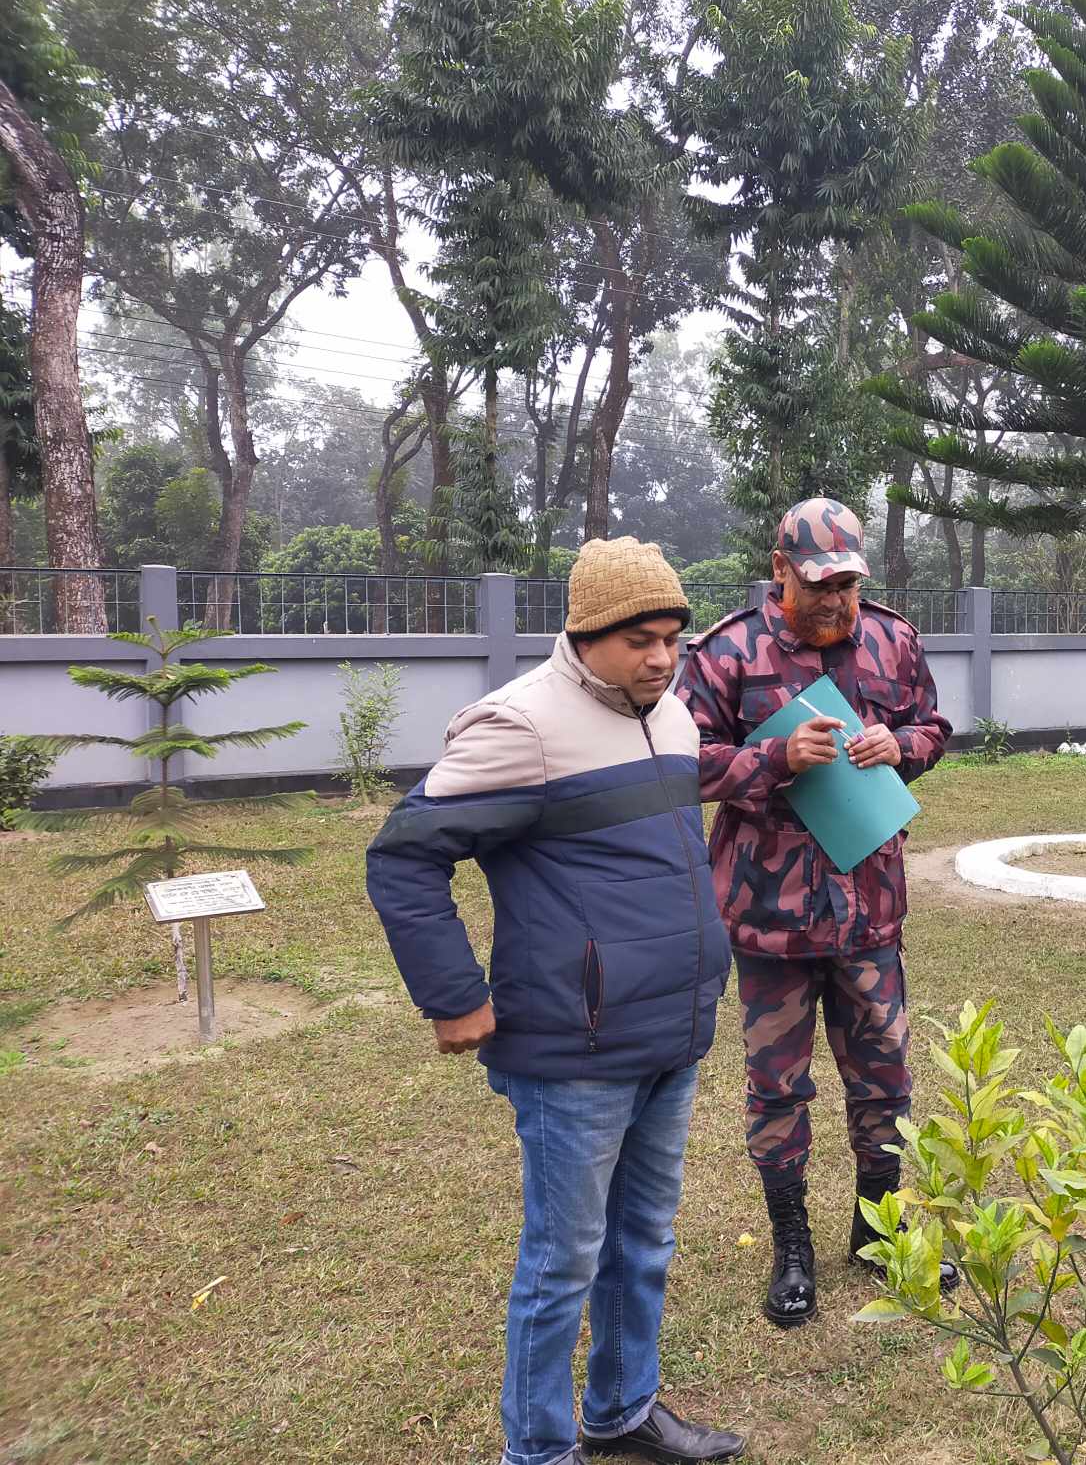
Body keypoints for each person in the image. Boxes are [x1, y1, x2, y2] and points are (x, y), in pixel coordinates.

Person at [366, 537, 745, 1465]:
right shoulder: (521, 725)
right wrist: (453, 997)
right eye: (639, 641)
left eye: (672, 639)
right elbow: (403, 857)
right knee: (562, 1262)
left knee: (643, 1242)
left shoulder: (674, 717)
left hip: (670, 1032)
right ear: (583, 635)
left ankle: (621, 1410)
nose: (661, 658)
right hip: (574, 1050)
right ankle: (537, 1450)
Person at [676, 497, 956, 1329]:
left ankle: (877, 1230)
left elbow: (933, 725)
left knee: (885, 1078)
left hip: (870, 907)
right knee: (778, 1088)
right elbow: (679, 761)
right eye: (819, 585)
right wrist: (770, 757)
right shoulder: (727, 652)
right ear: (780, 570)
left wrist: (901, 746)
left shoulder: (893, 640)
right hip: (774, 918)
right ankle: (791, 1245)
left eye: (848, 586)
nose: (836, 602)